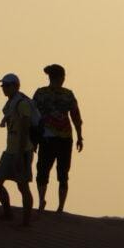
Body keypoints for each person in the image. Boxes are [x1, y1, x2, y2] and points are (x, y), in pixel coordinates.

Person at [32, 64, 84, 214]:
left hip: (51, 138)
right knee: (61, 173)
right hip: (61, 138)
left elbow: (33, 117)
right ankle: (58, 206)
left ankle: (43, 201)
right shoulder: (67, 94)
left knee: (45, 171)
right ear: (60, 77)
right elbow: (76, 117)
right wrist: (79, 136)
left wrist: (33, 139)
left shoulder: (41, 93)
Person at [0, 74, 35, 226]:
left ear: (16, 86)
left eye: (7, 85)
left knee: (23, 186)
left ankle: (26, 222)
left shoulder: (22, 104)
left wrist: (20, 154)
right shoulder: (11, 104)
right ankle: (8, 213)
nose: (4, 88)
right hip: (10, 150)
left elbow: (25, 129)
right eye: (3, 86)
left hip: (22, 151)